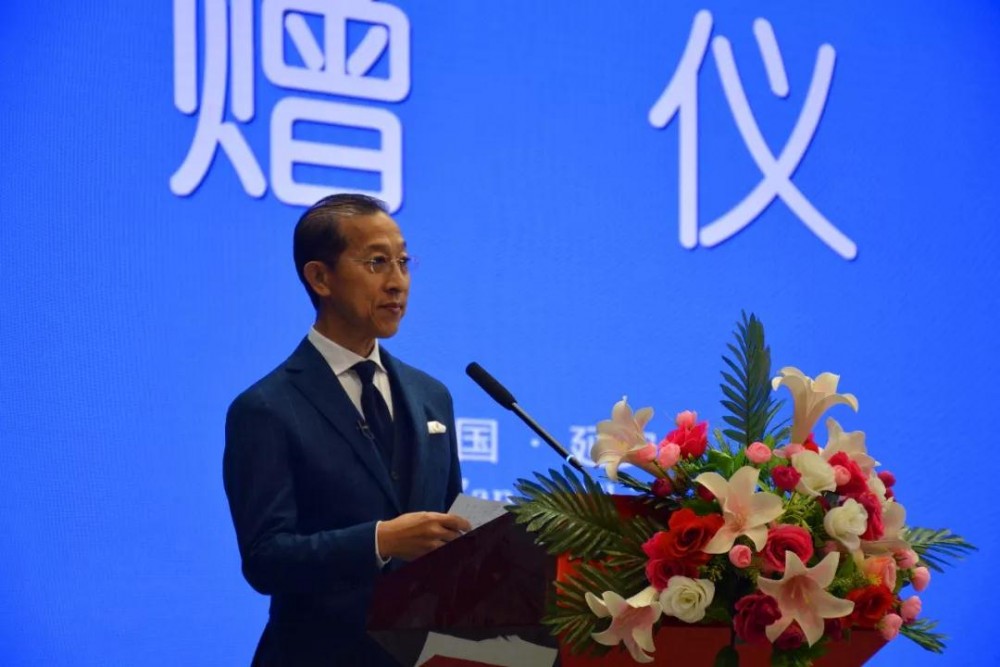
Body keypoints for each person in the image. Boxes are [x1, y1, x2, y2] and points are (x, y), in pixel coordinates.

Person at [223, 193, 472, 666]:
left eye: (403, 262)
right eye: (377, 262)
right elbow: (265, 559)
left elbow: (448, 527)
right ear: (320, 278)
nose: (397, 282)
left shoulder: (431, 395)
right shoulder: (266, 408)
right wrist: (379, 541)